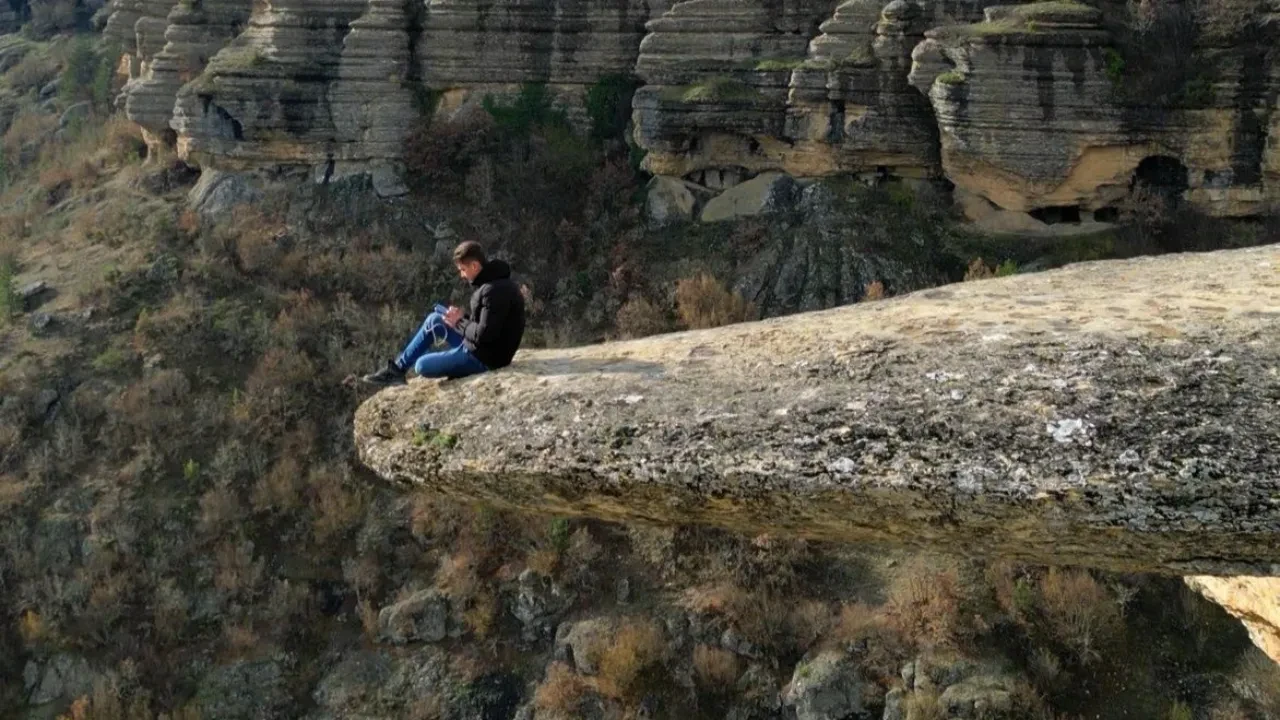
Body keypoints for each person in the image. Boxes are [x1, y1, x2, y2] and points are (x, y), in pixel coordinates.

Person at [362, 241, 526, 385]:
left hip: (485, 359)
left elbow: (485, 335)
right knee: (435, 319)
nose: (462, 275)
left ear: (475, 266)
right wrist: (461, 319)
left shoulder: (493, 291)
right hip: (480, 347)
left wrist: (458, 322)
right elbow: (488, 324)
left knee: (422, 365)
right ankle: (397, 370)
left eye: (463, 269)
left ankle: (453, 360)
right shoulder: (494, 283)